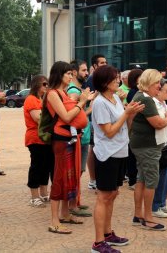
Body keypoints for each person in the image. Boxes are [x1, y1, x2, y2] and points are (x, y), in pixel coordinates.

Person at [90, 65, 144, 253]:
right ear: (104, 82)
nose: (118, 81)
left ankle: (107, 233)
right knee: (104, 196)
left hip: (120, 151)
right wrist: (127, 114)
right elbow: (110, 131)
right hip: (107, 154)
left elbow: (123, 127)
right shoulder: (99, 103)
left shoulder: (114, 99)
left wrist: (131, 114)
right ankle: (98, 243)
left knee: (113, 194)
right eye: (114, 79)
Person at [46, 61, 93, 234]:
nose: (71, 76)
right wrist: (81, 102)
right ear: (59, 74)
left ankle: (65, 214)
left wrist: (82, 102)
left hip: (72, 138)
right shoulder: (52, 94)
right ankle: (54, 220)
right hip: (61, 140)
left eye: (71, 74)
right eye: (68, 74)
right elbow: (66, 117)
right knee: (59, 177)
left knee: (70, 177)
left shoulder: (64, 93)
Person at [130, 69, 167, 231]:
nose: (159, 85)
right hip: (147, 146)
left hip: (142, 144)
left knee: (142, 179)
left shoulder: (141, 96)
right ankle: (148, 217)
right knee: (151, 181)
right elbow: (159, 123)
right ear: (148, 83)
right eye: (156, 83)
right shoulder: (146, 99)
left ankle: (138, 215)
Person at [67, 59, 92, 217]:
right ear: (75, 72)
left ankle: (75, 200)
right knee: (75, 171)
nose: (86, 73)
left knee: (80, 170)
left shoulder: (79, 90)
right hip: (77, 137)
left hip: (84, 137)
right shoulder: (73, 91)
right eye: (83, 70)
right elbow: (74, 114)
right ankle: (71, 204)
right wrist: (91, 105)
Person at [23, 75, 53, 208]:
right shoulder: (31, 99)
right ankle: (34, 196)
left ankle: (44, 193)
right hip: (35, 138)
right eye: (44, 84)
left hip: (45, 139)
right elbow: (38, 118)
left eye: (47, 84)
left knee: (46, 167)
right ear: (36, 85)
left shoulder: (43, 99)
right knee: (37, 167)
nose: (47, 87)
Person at [151, 78, 167, 218]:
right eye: (166, 90)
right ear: (158, 91)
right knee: (159, 177)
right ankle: (155, 206)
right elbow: (162, 123)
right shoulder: (154, 104)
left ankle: (162, 203)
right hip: (159, 144)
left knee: (166, 175)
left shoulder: (163, 103)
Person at [86, 54, 108, 190]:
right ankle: (93, 179)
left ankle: (98, 178)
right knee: (93, 149)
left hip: (103, 119)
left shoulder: (105, 78)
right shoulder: (92, 79)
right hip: (93, 120)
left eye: (106, 62)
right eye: (101, 63)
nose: (105, 64)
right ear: (94, 66)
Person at [126, 68, 143, 189]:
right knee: (132, 155)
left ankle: (134, 178)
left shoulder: (138, 91)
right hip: (134, 127)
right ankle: (132, 180)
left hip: (137, 127)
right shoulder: (133, 92)